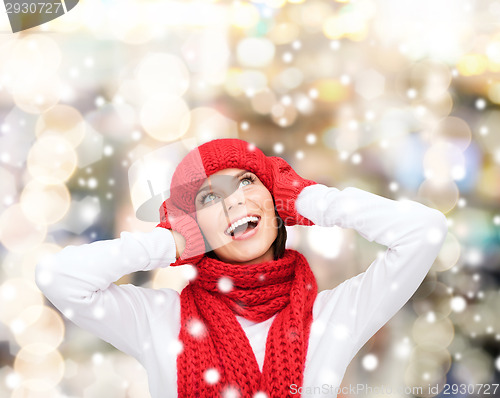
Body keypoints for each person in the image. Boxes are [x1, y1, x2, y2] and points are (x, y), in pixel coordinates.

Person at [35, 138, 448, 398]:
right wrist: (172, 242)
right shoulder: (159, 320)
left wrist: (308, 200)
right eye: (210, 197)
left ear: (275, 201)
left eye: (248, 181)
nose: (234, 201)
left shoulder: (332, 317)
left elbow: (425, 231)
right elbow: (58, 278)